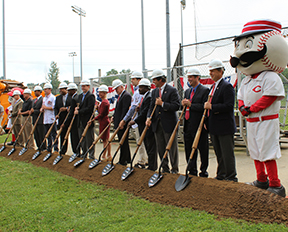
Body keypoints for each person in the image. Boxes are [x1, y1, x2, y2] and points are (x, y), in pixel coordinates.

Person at [231, 19, 288, 197]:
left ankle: (276, 184)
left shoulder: (270, 76)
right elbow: (239, 97)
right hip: (252, 121)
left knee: (268, 152)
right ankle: (261, 180)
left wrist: (252, 108)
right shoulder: (247, 79)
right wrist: (242, 108)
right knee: (255, 152)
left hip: (266, 120)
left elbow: (269, 97)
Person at [204, 59, 237, 182]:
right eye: (210, 71)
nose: (210, 73)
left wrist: (212, 107)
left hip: (224, 126)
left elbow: (229, 106)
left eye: (213, 71)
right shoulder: (213, 87)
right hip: (214, 126)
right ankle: (221, 174)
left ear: (220, 71)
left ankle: (231, 176)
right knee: (219, 153)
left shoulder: (226, 86)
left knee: (227, 153)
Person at [146, 69, 180, 174]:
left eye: (155, 80)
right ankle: (165, 168)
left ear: (161, 79)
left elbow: (176, 106)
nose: (153, 82)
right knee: (160, 147)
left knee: (172, 147)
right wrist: (148, 117)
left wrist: (163, 104)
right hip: (157, 124)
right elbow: (151, 106)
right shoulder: (154, 92)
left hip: (169, 124)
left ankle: (174, 169)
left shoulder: (172, 90)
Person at [182, 67, 209, 177]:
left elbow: (204, 107)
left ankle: (203, 170)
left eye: (191, 77)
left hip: (199, 125)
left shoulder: (204, 90)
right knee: (189, 148)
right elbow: (185, 106)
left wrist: (191, 105)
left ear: (198, 77)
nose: (189, 79)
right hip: (188, 124)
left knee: (203, 149)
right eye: (188, 77)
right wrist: (183, 103)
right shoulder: (187, 91)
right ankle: (192, 170)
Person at [119, 71, 148, 168]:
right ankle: (145, 159)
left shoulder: (138, 93)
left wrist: (124, 119)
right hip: (137, 120)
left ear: (139, 80)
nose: (131, 81)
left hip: (138, 120)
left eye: (133, 79)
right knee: (141, 140)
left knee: (140, 141)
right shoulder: (137, 92)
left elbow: (133, 108)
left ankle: (142, 160)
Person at [129, 78, 157, 171]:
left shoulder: (149, 97)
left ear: (146, 88)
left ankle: (152, 166)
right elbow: (142, 110)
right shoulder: (145, 96)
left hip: (147, 126)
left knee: (150, 147)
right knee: (147, 146)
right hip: (142, 126)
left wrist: (135, 121)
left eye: (141, 87)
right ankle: (151, 165)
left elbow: (145, 112)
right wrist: (138, 109)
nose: (139, 89)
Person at [111, 79, 132, 165]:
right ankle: (127, 158)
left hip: (122, 123)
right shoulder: (121, 96)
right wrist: (114, 116)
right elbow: (118, 109)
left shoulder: (126, 96)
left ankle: (123, 160)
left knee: (123, 142)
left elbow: (125, 110)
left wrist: (122, 122)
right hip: (119, 121)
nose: (116, 91)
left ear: (121, 87)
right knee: (123, 141)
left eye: (116, 89)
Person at [89, 84, 111, 161]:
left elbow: (101, 114)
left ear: (105, 93)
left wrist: (93, 119)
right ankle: (108, 155)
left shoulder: (105, 102)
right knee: (106, 139)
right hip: (103, 121)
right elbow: (100, 112)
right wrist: (98, 107)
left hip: (104, 121)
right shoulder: (103, 102)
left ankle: (105, 155)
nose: (99, 94)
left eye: (101, 92)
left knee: (106, 139)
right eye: (99, 92)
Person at [74, 80, 95, 159]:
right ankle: (84, 153)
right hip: (80, 121)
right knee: (82, 139)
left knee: (89, 139)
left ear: (88, 86)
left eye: (84, 86)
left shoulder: (91, 96)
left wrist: (79, 111)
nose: (83, 88)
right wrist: (78, 108)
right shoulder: (80, 96)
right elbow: (81, 106)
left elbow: (89, 108)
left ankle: (91, 155)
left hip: (87, 121)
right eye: (82, 86)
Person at [54, 82, 71, 154]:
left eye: (62, 89)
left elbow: (72, 106)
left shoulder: (70, 97)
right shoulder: (58, 98)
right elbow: (56, 108)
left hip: (69, 118)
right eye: (60, 90)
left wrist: (66, 108)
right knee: (62, 134)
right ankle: (63, 150)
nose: (60, 91)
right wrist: (56, 114)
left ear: (66, 89)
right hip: (61, 118)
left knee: (70, 134)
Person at [41, 83, 58, 153]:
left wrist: (46, 108)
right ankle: (49, 148)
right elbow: (43, 106)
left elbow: (53, 107)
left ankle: (56, 148)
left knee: (54, 134)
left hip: (51, 118)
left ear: (50, 89)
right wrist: (42, 109)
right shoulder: (44, 98)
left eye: (46, 89)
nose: (45, 91)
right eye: (44, 89)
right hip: (45, 119)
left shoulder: (53, 98)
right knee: (47, 134)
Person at [64, 83, 79, 154]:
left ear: (73, 91)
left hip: (74, 122)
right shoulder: (78, 97)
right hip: (77, 121)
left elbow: (71, 113)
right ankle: (77, 151)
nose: (68, 92)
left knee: (74, 137)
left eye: (69, 91)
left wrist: (65, 123)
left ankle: (76, 152)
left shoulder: (74, 99)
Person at [31, 85, 46, 150]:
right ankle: (39, 146)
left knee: (41, 134)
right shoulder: (34, 100)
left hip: (40, 119)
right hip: (34, 119)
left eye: (36, 91)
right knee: (36, 134)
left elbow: (41, 110)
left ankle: (43, 146)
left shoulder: (42, 99)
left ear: (40, 92)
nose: (35, 93)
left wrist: (34, 111)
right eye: (34, 91)